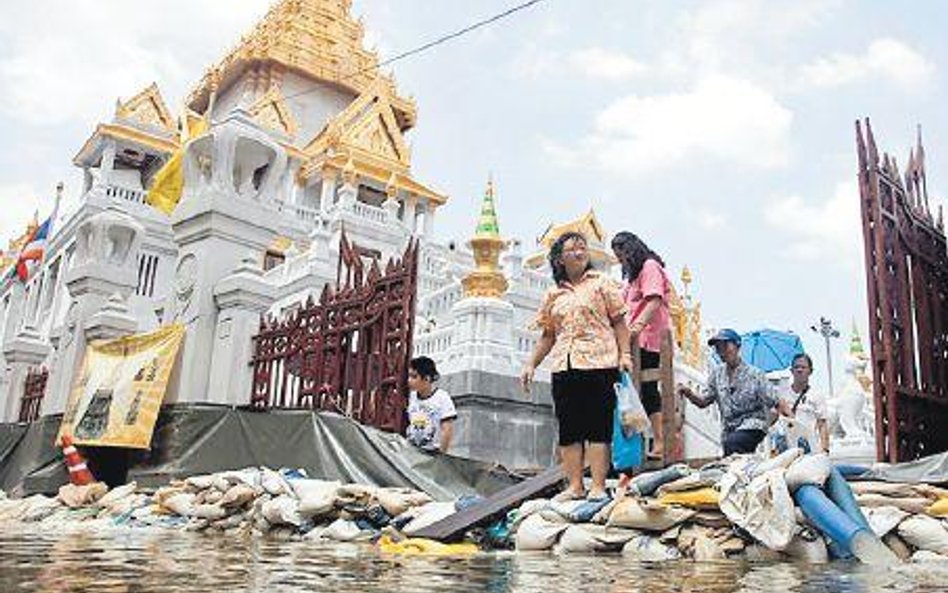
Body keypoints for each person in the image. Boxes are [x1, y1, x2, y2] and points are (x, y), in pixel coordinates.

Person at [521, 231, 632, 501]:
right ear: (560, 258)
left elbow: (619, 322)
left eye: (583, 248)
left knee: (597, 426)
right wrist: (531, 364)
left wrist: (625, 354)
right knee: (569, 428)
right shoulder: (553, 294)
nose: (579, 252)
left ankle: (597, 486)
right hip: (564, 365)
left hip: (599, 362)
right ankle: (574, 486)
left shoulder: (602, 284)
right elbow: (548, 334)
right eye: (572, 249)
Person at [677, 329, 790, 456]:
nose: (722, 352)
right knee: (731, 454)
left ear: (737, 346)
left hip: (753, 425)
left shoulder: (755, 374)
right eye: (718, 348)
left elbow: (776, 401)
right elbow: (703, 401)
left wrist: (792, 422)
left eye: (725, 346)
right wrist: (688, 393)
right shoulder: (717, 374)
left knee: (734, 443)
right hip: (729, 431)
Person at [611, 231, 672, 460]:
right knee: (633, 390)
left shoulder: (649, 267)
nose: (620, 261)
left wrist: (636, 327)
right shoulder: (633, 277)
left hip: (649, 337)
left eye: (621, 255)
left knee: (648, 389)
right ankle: (637, 443)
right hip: (633, 340)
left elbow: (654, 300)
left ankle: (659, 441)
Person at [778, 353, 829, 453]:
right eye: (796, 367)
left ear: (810, 371)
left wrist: (825, 449)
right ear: (791, 371)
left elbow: (822, 425)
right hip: (786, 448)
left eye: (803, 367)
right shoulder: (781, 394)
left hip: (809, 447)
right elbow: (772, 419)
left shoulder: (817, 395)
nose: (799, 370)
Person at [406, 356, 457, 453]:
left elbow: (447, 429)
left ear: (427, 379)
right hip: (411, 453)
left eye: (414, 377)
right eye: (409, 376)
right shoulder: (411, 397)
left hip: (432, 453)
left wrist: (441, 454)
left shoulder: (442, 398)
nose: (409, 380)